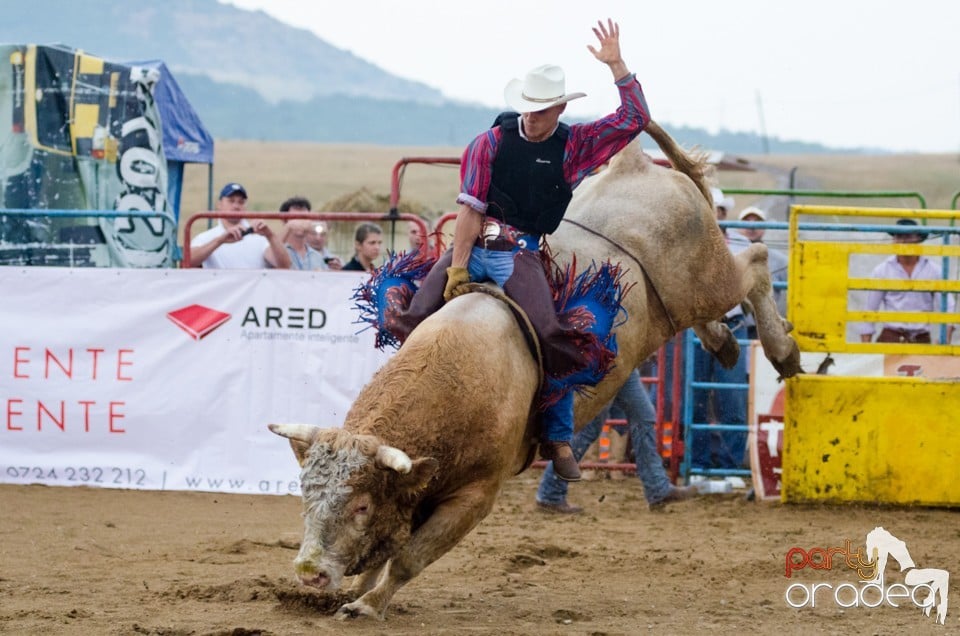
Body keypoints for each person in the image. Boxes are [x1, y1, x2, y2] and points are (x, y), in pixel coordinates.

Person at [391, 19, 651, 482]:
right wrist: (456, 269)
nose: (530, 116)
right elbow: (470, 209)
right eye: (526, 108)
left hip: (521, 254)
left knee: (551, 333)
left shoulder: (574, 147)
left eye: (540, 109)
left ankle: (556, 435)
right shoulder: (489, 143)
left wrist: (617, 66)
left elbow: (634, 120)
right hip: (473, 246)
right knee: (411, 319)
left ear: (556, 109)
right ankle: (394, 412)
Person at [536, 369, 699, 513]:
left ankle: (657, 488)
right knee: (590, 427)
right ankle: (550, 492)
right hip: (606, 362)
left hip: (623, 362)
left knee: (643, 417)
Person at [690, 188, 749, 471]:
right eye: (714, 210)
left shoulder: (738, 243)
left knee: (732, 400)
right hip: (700, 327)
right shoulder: (691, 242)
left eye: (721, 211)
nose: (717, 215)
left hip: (732, 324)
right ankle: (700, 463)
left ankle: (732, 464)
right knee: (698, 400)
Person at [859, 219, 955, 344]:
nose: (903, 241)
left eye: (908, 236)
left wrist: (945, 339)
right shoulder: (882, 270)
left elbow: (948, 306)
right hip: (891, 337)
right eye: (899, 236)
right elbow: (870, 309)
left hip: (921, 339)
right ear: (893, 241)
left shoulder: (934, 270)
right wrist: (866, 347)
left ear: (918, 240)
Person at [189, 183, 291, 269]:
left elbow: (285, 266)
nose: (236, 206)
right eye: (231, 201)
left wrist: (270, 235)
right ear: (219, 204)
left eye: (241, 202)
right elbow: (187, 262)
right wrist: (219, 241)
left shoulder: (259, 236)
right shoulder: (206, 237)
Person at [737, 206, 788, 339]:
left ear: (764, 227)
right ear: (738, 227)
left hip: (766, 324)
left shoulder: (779, 260)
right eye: (746, 221)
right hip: (737, 322)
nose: (752, 226)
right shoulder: (731, 254)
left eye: (757, 221)